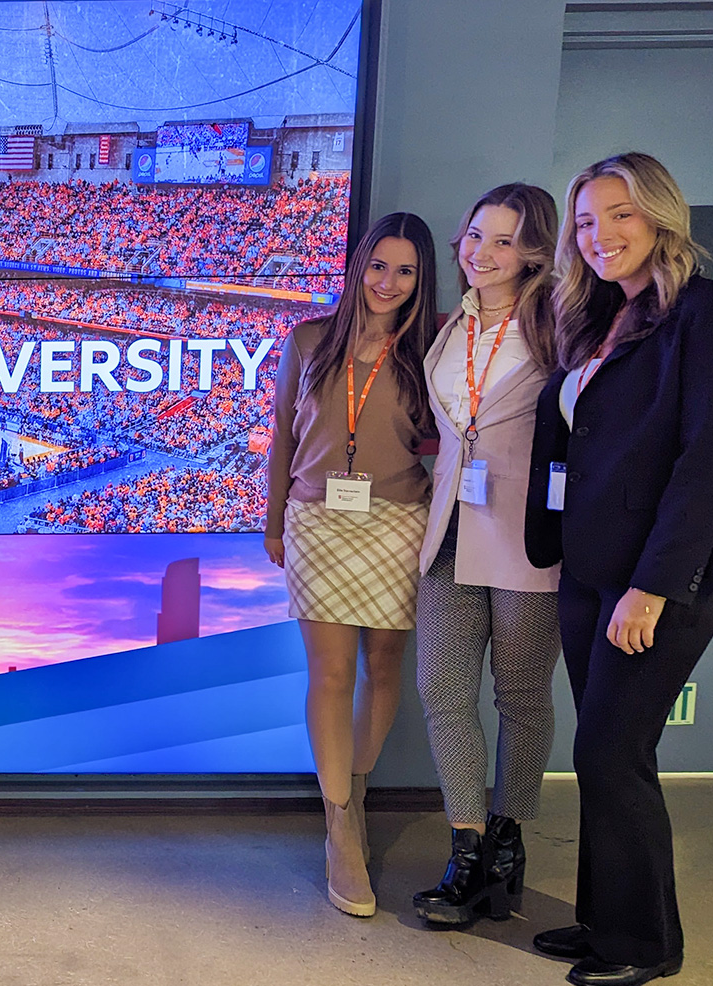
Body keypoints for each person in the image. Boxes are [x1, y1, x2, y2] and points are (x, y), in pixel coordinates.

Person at [523, 153, 713, 986]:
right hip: (591, 573)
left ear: (661, 214)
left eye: (618, 214)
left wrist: (654, 586)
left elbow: (709, 461)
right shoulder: (597, 321)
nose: (599, 236)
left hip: (657, 584)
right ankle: (603, 922)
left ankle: (646, 945)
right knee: (608, 752)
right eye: (586, 221)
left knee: (609, 755)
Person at [265, 212, 439, 917]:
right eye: (377, 266)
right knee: (332, 674)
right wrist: (273, 519)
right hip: (317, 519)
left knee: (386, 666)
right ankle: (341, 821)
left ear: (421, 278)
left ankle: (356, 786)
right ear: (357, 265)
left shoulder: (430, 350)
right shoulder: (307, 340)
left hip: (399, 522)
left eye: (404, 271)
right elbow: (282, 435)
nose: (387, 282)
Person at [411, 184, 563, 925]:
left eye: (504, 241)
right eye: (476, 234)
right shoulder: (452, 328)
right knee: (444, 693)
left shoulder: (562, 324)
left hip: (527, 539)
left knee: (522, 697)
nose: (484, 252)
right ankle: (465, 848)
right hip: (449, 532)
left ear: (536, 250)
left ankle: (508, 838)